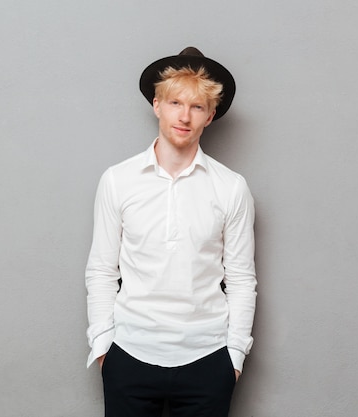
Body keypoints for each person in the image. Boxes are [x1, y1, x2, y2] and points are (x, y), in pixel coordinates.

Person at [85, 46, 257, 417]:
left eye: (197, 107)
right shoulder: (118, 181)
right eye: (176, 102)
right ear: (157, 105)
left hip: (208, 358)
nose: (185, 116)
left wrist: (235, 356)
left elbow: (242, 278)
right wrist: (103, 346)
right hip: (129, 354)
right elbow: (101, 269)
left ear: (210, 116)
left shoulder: (231, 187)